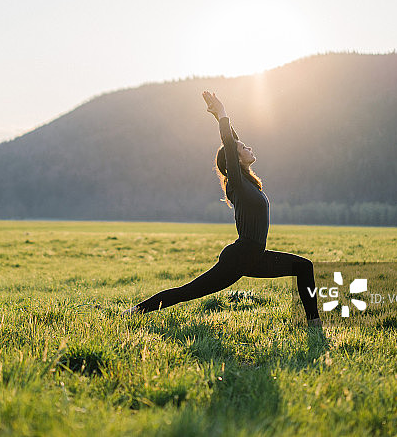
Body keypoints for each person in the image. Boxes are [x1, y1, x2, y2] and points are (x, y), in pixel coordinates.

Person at [123, 91, 322, 327]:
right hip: (239, 257)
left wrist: (220, 117)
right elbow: (230, 145)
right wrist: (223, 114)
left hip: (255, 256)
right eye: (244, 148)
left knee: (304, 267)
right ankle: (134, 312)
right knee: (188, 292)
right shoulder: (236, 183)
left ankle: (314, 324)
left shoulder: (247, 182)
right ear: (236, 161)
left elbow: (232, 143)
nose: (249, 147)